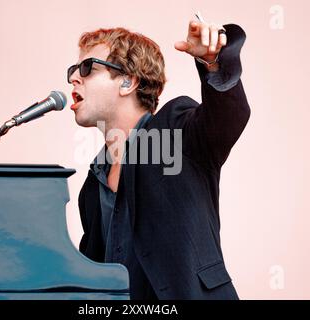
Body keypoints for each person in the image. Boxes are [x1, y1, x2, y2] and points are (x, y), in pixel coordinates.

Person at [67, 14, 251, 299]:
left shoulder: (175, 129)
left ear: (128, 82)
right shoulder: (92, 188)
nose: (74, 77)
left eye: (87, 67)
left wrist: (214, 62)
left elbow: (228, 118)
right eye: (73, 70)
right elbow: (92, 281)